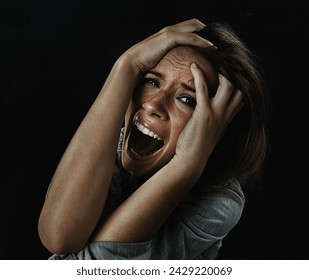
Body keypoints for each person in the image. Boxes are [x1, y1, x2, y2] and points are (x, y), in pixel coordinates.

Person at [38, 18, 268, 260]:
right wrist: (127, 65)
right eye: (151, 81)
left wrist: (186, 165)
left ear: (215, 130)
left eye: (187, 99)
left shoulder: (220, 203)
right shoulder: (108, 147)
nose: (152, 104)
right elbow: (58, 237)